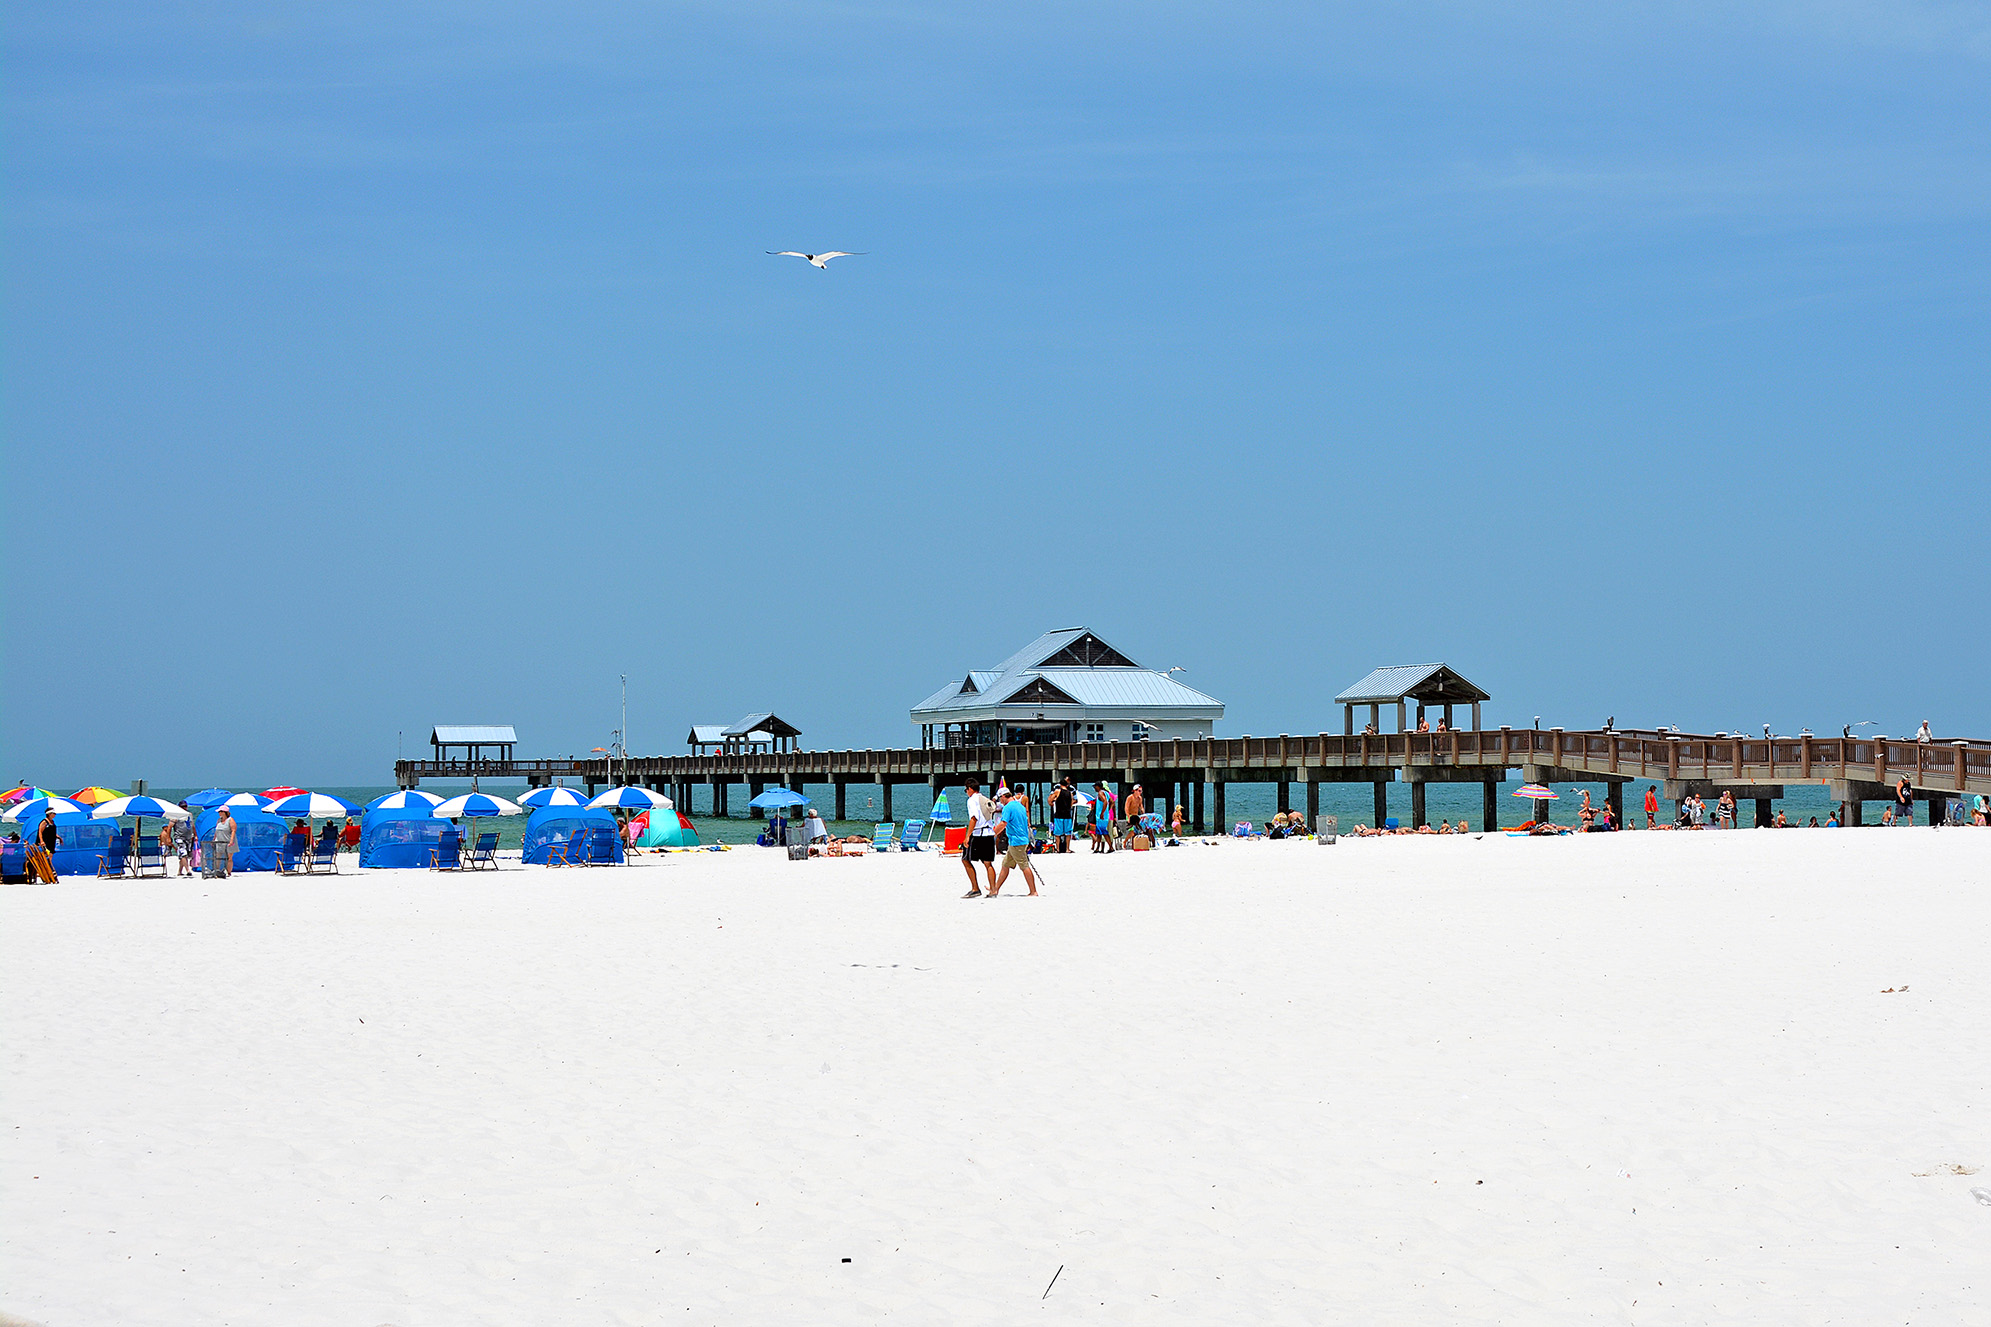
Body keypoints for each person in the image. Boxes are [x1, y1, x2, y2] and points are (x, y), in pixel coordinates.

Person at [987, 791, 1038, 897]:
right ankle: (995, 889)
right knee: (1005, 865)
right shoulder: (1020, 806)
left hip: (1017, 841)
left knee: (1024, 866)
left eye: (1000, 798)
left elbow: (1003, 823)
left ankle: (1033, 891)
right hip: (1020, 840)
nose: (1000, 801)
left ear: (1004, 796)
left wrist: (993, 833)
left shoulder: (1007, 807)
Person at [961, 780, 997, 896]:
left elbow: (974, 818)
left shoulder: (971, 800)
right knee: (988, 863)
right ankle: (993, 890)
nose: (966, 792)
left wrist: (967, 836)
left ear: (970, 788)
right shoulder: (984, 799)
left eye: (966, 790)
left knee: (965, 859)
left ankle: (975, 888)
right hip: (989, 833)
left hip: (978, 835)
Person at [1049, 778, 1075, 854]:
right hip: (1067, 815)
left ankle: (1058, 849)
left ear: (1060, 785)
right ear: (1067, 785)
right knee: (1068, 833)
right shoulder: (1070, 793)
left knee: (1057, 833)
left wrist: (1052, 802)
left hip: (1059, 814)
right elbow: (1071, 804)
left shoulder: (1058, 791)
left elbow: (1050, 799)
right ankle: (1067, 848)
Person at [211, 808, 237, 878]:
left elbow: (233, 830)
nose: (219, 813)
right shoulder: (219, 820)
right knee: (218, 856)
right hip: (219, 840)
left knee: (229, 857)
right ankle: (217, 870)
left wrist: (231, 841)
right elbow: (216, 831)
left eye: (220, 811)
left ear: (224, 812)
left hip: (228, 840)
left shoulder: (230, 820)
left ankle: (228, 872)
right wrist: (214, 839)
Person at [1091, 782, 1113, 853]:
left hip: (1101, 816)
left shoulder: (1100, 793)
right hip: (1103, 816)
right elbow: (1112, 802)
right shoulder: (1106, 793)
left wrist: (1103, 812)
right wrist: (1108, 810)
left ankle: (1111, 847)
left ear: (1098, 786)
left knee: (1104, 832)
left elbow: (1105, 801)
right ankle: (1097, 847)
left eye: (1095, 787)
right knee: (1099, 832)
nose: (1094, 788)